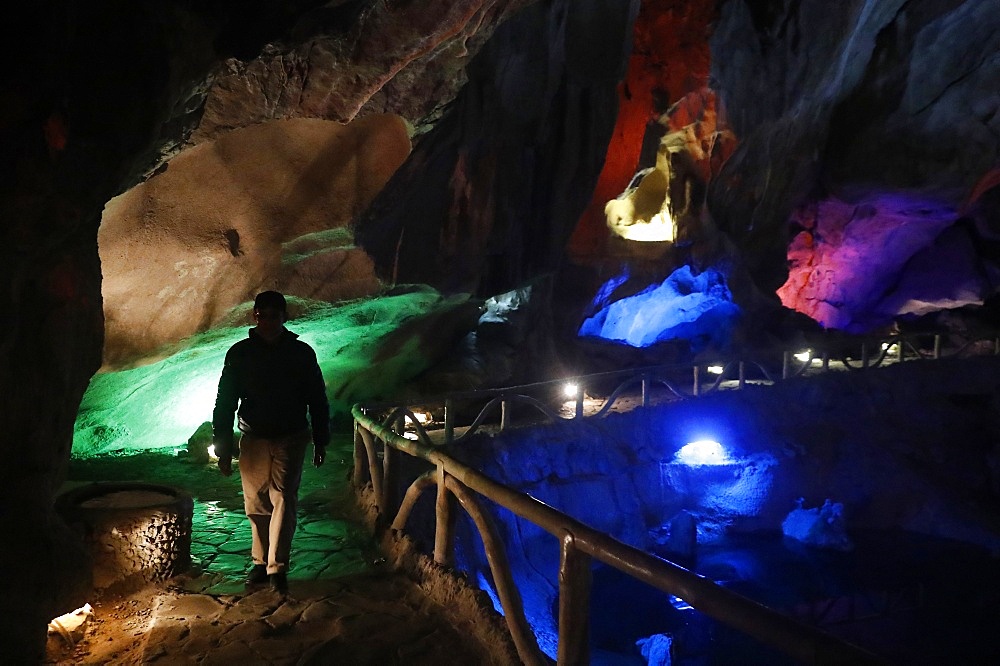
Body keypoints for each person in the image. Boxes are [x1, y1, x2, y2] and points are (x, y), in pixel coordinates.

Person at [212, 291, 330, 594]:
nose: (267, 321)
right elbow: (225, 401)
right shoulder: (240, 353)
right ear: (255, 316)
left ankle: (277, 567)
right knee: (256, 503)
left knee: (284, 497)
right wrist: (223, 446)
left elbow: (317, 397)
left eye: (273, 316)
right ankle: (260, 562)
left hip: (290, 435)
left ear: (284, 318)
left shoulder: (301, 353)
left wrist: (320, 438)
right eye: (262, 315)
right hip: (253, 437)